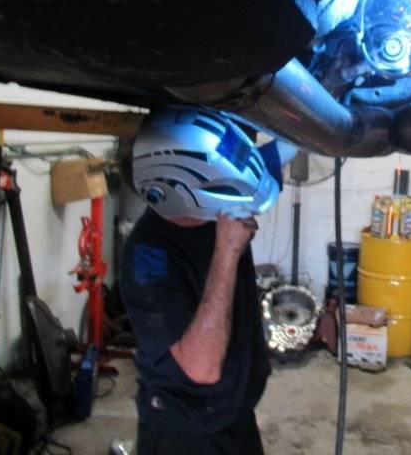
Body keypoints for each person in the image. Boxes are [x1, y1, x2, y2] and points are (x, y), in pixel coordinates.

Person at [120, 106, 297, 455]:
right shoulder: (147, 256)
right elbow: (200, 369)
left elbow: (279, 154)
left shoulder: (211, 192)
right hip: (186, 433)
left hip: (234, 415)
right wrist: (226, 252)